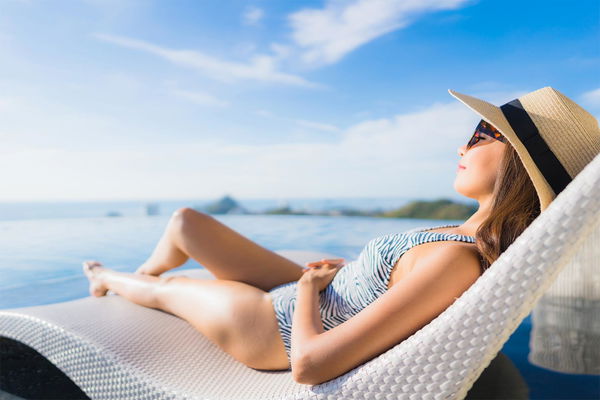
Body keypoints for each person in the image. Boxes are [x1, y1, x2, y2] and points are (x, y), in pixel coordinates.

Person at [82, 86, 600, 385]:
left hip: (271, 330)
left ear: (518, 165)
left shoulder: (455, 262)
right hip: (315, 292)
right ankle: (148, 267)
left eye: (484, 133)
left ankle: (107, 278)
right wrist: (348, 274)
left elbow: (309, 366)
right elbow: (388, 291)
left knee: (169, 290)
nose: (464, 143)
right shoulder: (460, 242)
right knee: (186, 223)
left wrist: (307, 292)